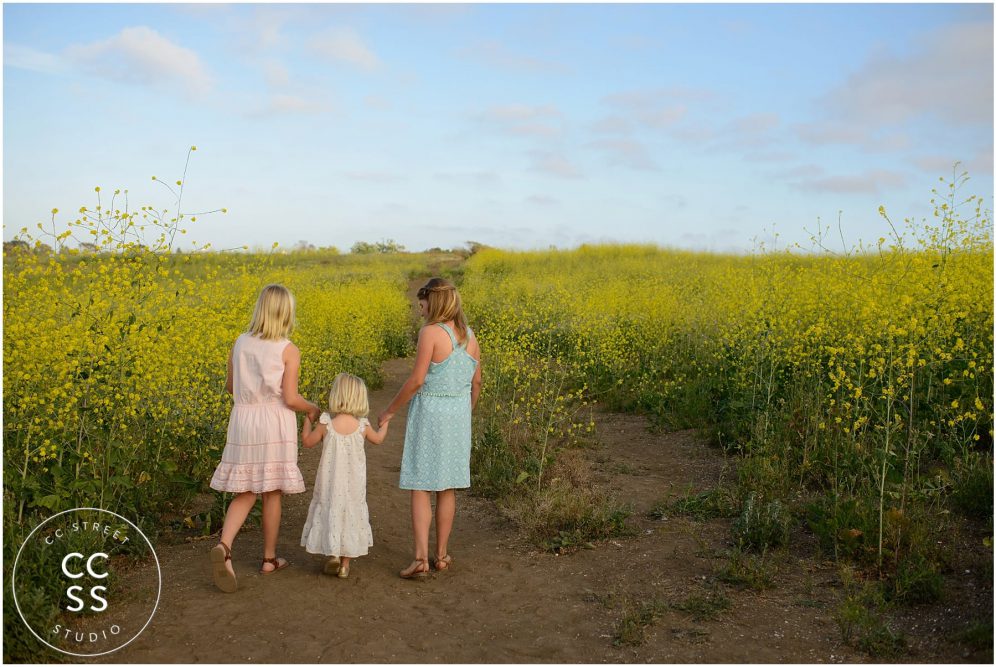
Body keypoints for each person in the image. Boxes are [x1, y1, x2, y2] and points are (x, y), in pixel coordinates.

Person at [208, 284, 321, 593]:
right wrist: (312, 409)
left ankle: (225, 545)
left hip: (243, 420)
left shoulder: (239, 343)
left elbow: (231, 387)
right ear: (286, 313)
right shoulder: (288, 348)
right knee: (272, 491)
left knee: (244, 490)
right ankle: (269, 559)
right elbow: (291, 397)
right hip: (274, 422)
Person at [380, 277, 482, 579]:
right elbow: (476, 383)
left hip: (430, 414)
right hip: (458, 417)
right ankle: (442, 555)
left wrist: (389, 411)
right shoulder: (470, 337)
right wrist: (465, 412)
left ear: (433, 302)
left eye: (421, 304)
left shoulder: (430, 333)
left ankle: (421, 558)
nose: (420, 310)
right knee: (447, 486)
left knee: (422, 485)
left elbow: (416, 381)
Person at [299, 373, 389, 578]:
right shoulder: (363, 426)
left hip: (330, 485)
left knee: (331, 510)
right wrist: (385, 424)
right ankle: (345, 565)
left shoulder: (326, 424)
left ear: (336, 396)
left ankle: (333, 554)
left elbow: (307, 441)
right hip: (353, 486)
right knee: (351, 514)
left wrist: (307, 420)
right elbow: (378, 439)